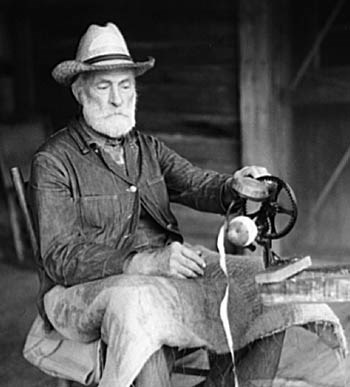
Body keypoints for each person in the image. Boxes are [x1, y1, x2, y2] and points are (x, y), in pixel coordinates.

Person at [28, 22, 346, 387]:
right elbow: (59, 255)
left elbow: (197, 185)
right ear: (80, 92)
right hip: (86, 289)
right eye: (104, 86)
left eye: (126, 85)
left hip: (163, 276)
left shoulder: (146, 148)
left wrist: (236, 186)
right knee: (138, 308)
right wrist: (143, 262)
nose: (118, 98)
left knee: (265, 287)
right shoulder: (54, 161)